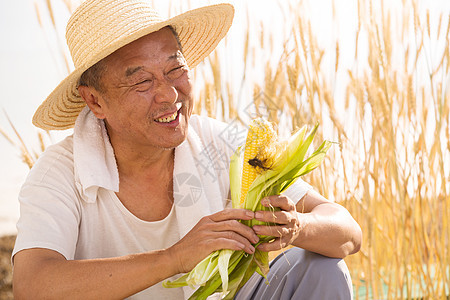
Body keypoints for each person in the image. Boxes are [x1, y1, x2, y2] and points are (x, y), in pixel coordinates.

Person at [12, 0, 362, 299]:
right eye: (142, 82)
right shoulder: (59, 171)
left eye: (175, 69)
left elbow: (347, 231)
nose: (169, 94)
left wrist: (295, 227)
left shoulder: (219, 143)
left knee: (318, 267)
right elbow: (32, 285)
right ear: (95, 101)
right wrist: (175, 258)